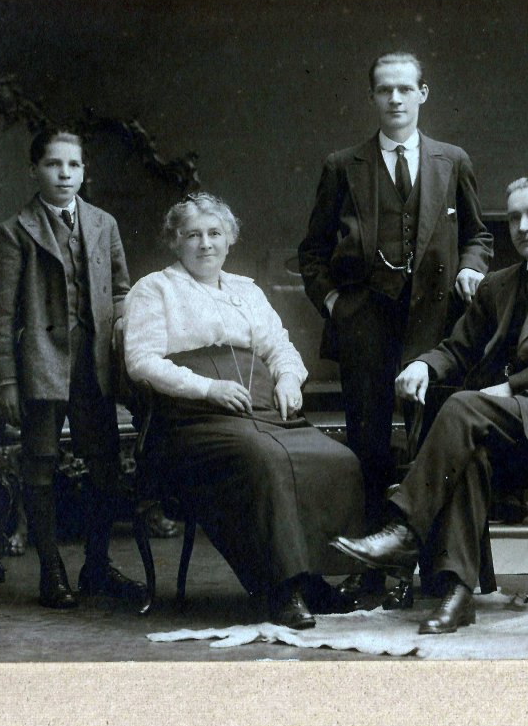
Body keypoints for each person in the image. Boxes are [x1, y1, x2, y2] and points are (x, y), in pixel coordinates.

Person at [330, 178, 528, 634]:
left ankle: (404, 531)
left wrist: (513, 387)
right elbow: (458, 348)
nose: (523, 226)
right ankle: (458, 593)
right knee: (469, 457)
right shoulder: (499, 285)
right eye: (513, 217)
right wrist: (427, 366)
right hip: (507, 427)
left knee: (465, 408)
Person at [297, 51, 492, 604]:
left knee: (434, 443)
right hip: (366, 325)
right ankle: (369, 569)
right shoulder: (343, 165)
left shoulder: (452, 161)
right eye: (385, 90)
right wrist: (333, 302)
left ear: (423, 94)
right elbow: (311, 251)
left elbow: (479, 235)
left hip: (433, 328)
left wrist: (472, 269)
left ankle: (432, 564)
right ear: (373, 97)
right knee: (368, 447)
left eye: (406, 89)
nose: (396, 99)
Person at [124, 193, 365, 629]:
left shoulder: (246, 290)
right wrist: (208, 388)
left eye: (214, 233)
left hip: (258, 407)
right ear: (175, 242)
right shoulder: (155, 289)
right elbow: (141, 360)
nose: (205, 244)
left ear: (230, 240)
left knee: (337, 458)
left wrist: (290, 379)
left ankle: (314, 580)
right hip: (190, 418)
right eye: (192, 235)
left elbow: (279, 347)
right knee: (263, 459)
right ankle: (281, 588)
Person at [0, 127, 145, 609]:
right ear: (35, 170)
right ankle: (51, 570)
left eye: (73, 165)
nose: (64, 173)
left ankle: (96, 566)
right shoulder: (16, 231)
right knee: (40, 463)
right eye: (54, 164)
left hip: (93, 365)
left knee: (105, 464)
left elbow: (121, 291)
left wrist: (124, 347)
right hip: (40, 365)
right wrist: (8, 380)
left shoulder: (102, 224)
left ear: (84, 171)